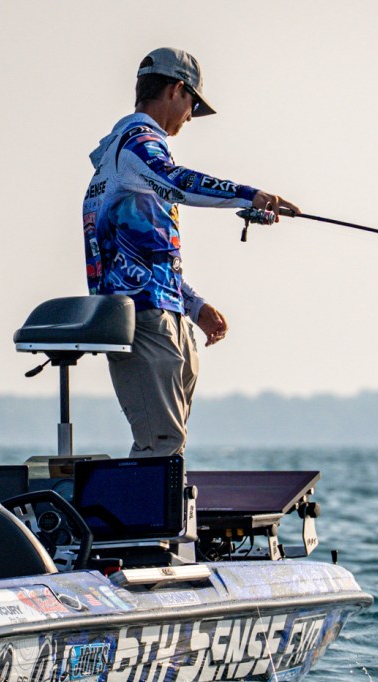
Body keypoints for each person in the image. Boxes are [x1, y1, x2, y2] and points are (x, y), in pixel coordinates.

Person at [82, 47, 299, 457]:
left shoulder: (129, 156)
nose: (189, 117)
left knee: (169, 440)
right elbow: (177, 181)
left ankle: (163, 501)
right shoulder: (137, 143)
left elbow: (147, 254)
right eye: (192, 105)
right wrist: (249, 195)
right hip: (142, 317)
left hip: (164, 311)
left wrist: (194, 305)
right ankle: (151, 503)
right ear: (176, 90)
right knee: (162, 442)